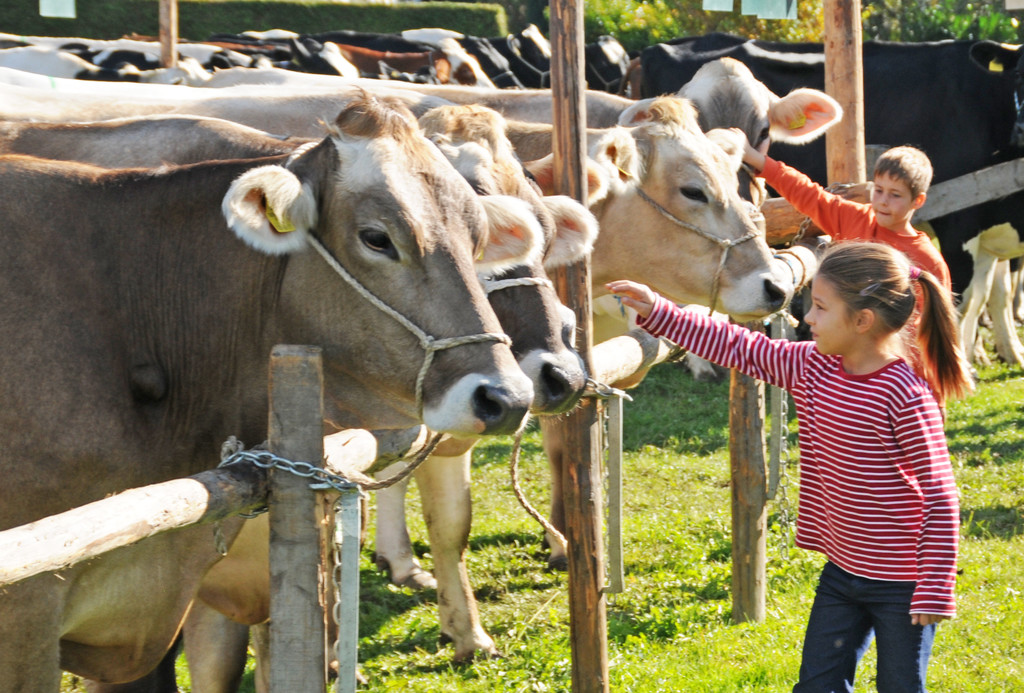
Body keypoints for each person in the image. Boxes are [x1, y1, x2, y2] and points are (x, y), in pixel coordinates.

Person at [607, 241, 974, 693]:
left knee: (900, 687)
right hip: (842, 571)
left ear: (862, 321)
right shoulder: (812, 366)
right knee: (817, 686)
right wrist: (661, 312)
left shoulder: (905, 395)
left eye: (820, 307)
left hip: (903, 581)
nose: (807, 318)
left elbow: (941, 494)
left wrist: (935, 584)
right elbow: (740, 347)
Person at [740, 135, 951, 291]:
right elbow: (808, 193)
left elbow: (935, 325)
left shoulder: (929, 262)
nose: (883, 201)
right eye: (878, 190)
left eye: (895, 195)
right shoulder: (853, 218)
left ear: (918, 200)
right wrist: (757, 159)